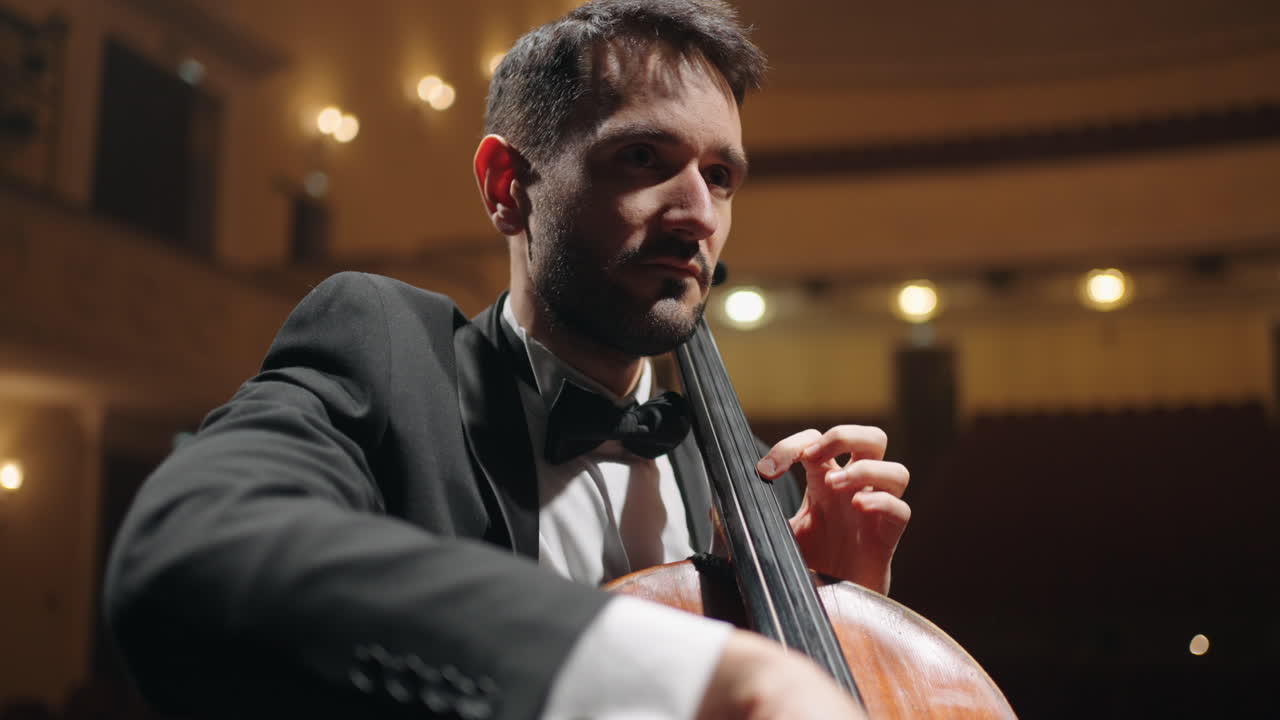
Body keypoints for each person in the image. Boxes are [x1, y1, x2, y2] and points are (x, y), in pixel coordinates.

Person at [104, 1, 912, 718]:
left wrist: (825, 617)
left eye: (721, 175)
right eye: (642, 157)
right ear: (506, 186)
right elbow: (191, 547)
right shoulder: (386, 351)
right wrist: (703, 674)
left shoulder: (733, 473)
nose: (698, 213)